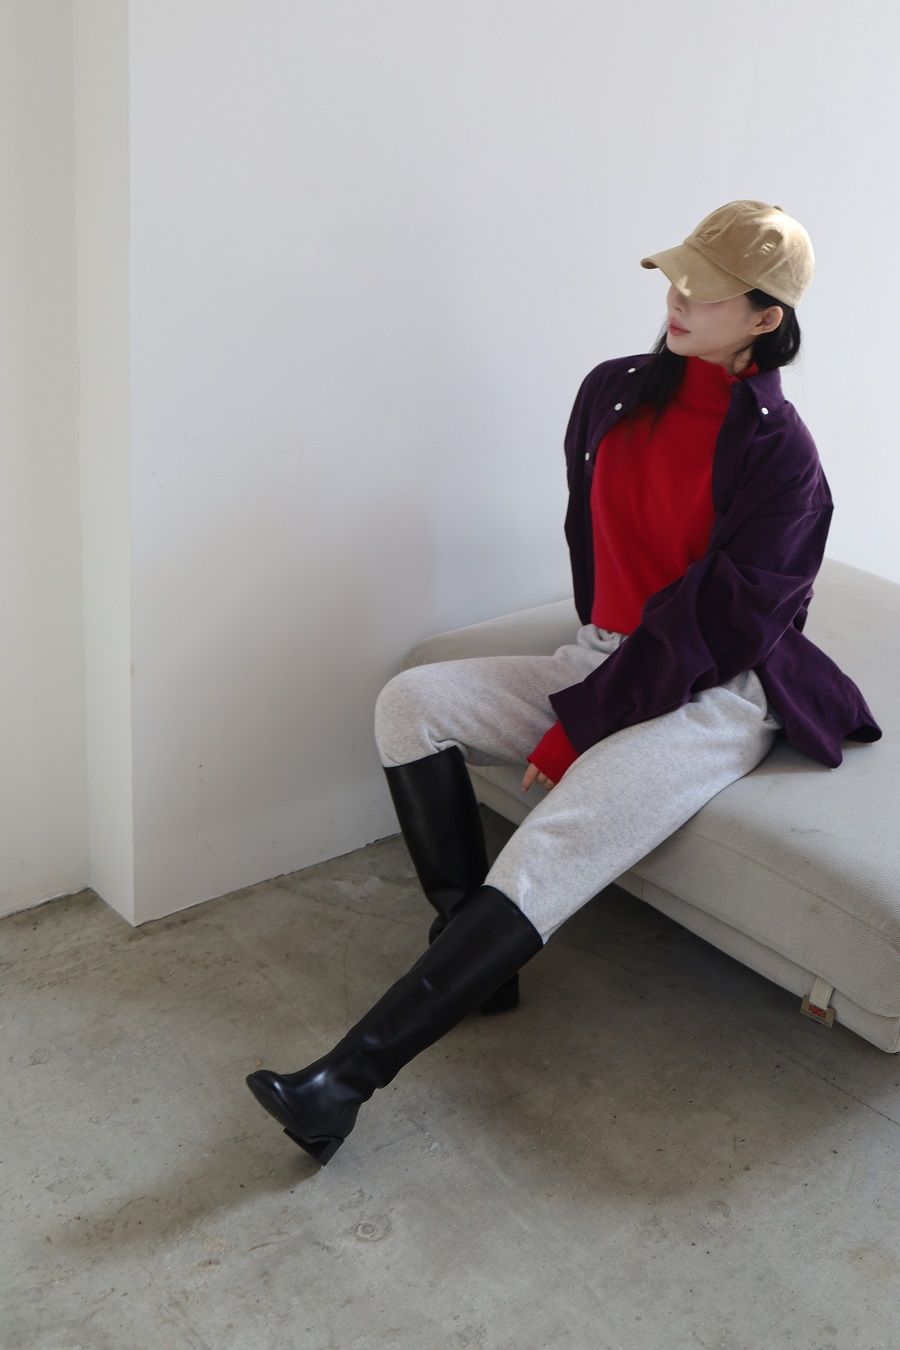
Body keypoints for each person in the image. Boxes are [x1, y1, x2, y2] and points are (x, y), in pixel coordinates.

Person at [247, 200, 881, 1165]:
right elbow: (599, 540)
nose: (678, 298)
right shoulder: (613, 390)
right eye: (676, 276)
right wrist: (595, 668)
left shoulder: (784, 458)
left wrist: (582, 725)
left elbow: (717, 627)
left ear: (765, 318)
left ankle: (342, 1085)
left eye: (708, 292)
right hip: (608, 652)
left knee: (554, 838)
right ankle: (475, 959)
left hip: (716, 689)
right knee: (409, 704)